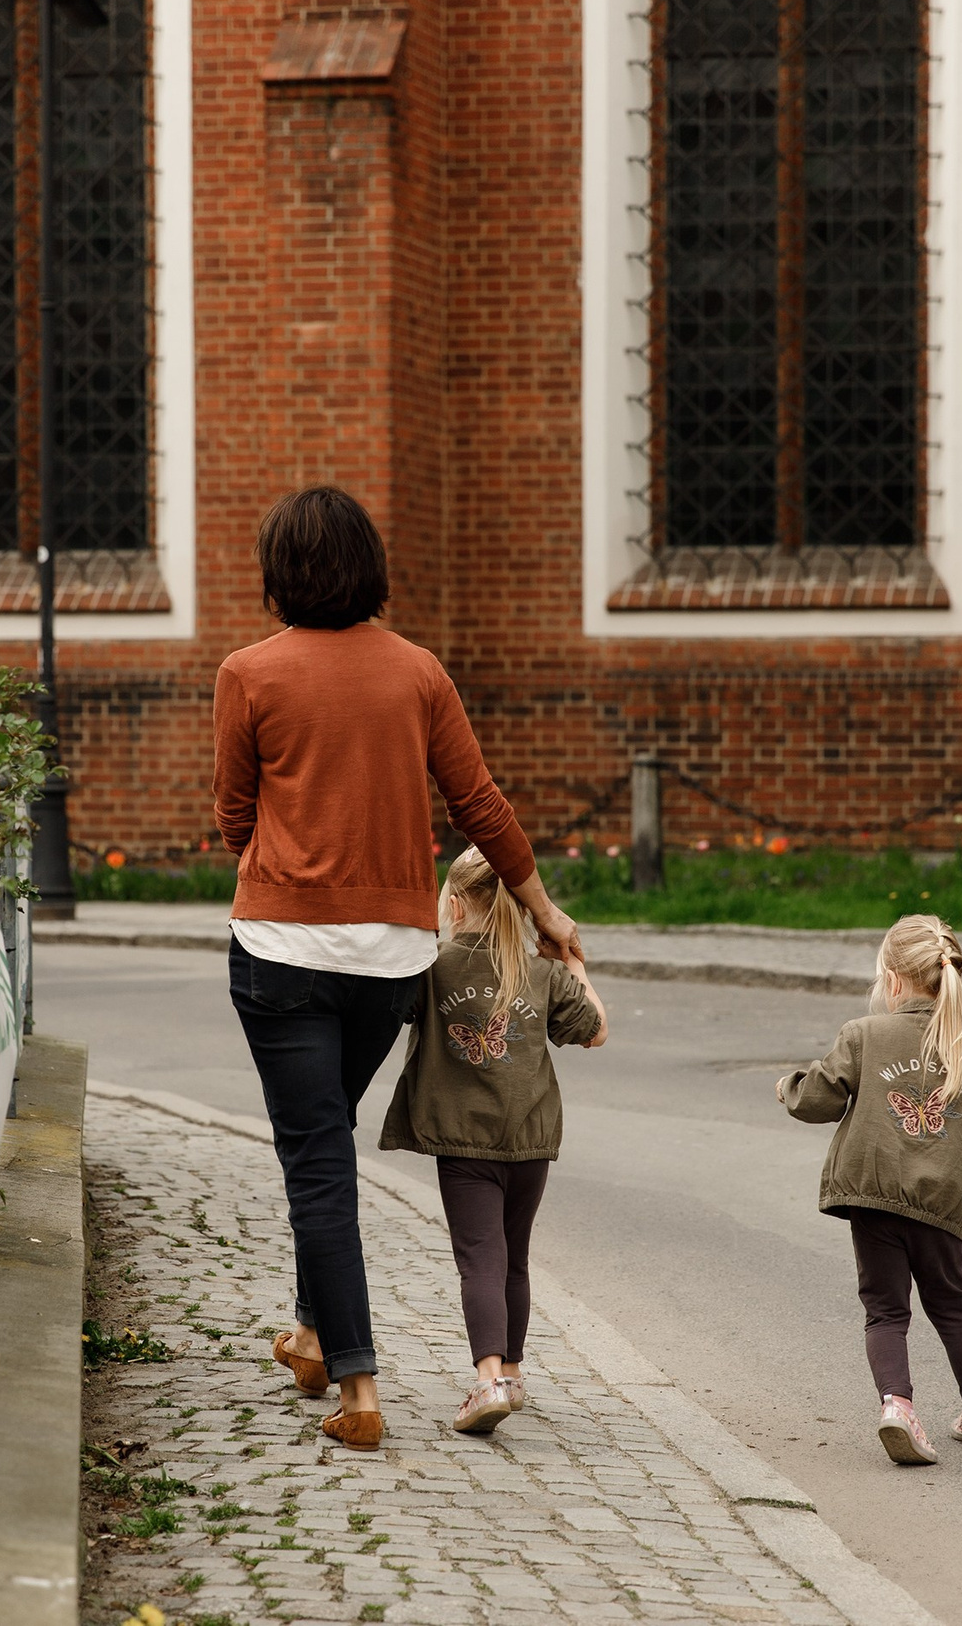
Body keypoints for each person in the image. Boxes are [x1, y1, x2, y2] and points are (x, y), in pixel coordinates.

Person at [215, 485, 584, 1453]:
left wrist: (286, 864)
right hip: (389, 961)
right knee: (325, 1138)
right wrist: (543, 910)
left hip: (281, 951)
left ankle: (360, 1386)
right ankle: (309, 1334)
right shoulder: (418, 672)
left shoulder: (247, 673)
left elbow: (233, 815)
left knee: (316, 1160)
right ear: (369, 567)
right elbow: (479, 802)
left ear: (278, 573)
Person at [776, 914, 962, 1464]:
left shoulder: (864, 1036)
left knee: (886, 1311)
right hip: (940, 1206)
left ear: (891, 980)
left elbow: (818, 1099)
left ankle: (898, 1407)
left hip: (874, 1198)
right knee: (952, 1305)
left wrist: (789, 1087)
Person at [379, 847, 607, 1435]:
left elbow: (386, 1010)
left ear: (455, 906)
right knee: (514, 1256)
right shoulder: (542, 973)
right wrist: (570, 960)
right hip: (531, 1139)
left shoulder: (433, 967)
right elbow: (596, 1030)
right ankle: (513, 1371)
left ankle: (487, 1383)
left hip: (465, 1142)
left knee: (481, 1256)